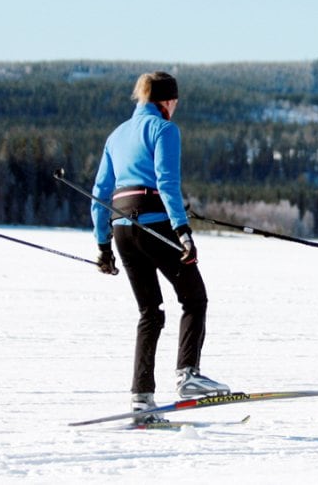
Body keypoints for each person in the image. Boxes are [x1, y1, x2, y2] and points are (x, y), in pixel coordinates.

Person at [91, 71, 229, 424]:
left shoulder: (116, 135)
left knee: (150, 312)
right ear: (166, 102)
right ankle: (188, 375)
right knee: (194, 298)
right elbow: (167, 182)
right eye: (175, 103)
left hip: (122, 229)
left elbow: (99, 195)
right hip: (155, 224)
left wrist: (103, 246)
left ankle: (141, 401)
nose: (175, 109)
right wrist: (183, 231)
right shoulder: (165, 130)